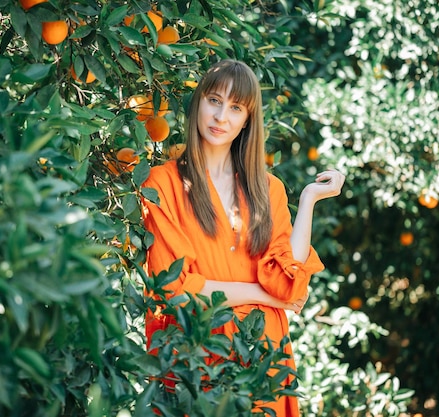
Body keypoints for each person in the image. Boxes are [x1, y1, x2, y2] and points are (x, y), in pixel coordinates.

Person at [141, 59, 345, 416]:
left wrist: (309, 200)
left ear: (248, 120)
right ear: (198, 104)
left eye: (235, 108)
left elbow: (287, 282)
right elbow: (175, 290)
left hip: (262, 359)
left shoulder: (268, 189)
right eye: (214, 100)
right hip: (197, 359)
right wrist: (262, 296)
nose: (221, 116)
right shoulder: (162, 184)